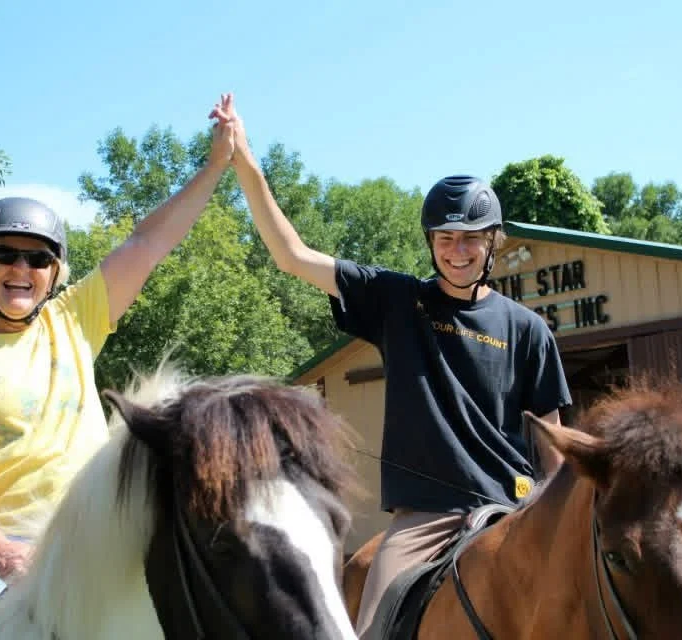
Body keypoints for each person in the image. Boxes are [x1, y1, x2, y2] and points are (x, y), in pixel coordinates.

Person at [0, 97, 236, 640]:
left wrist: (214, 167)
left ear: (53, 274)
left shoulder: (75, 321)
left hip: (84, 539)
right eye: (5, 254)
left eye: (38, 258)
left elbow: (148, 242)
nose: (21, 268)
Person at [214, 94, 572, 636]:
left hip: (510, 510)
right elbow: (291, 255)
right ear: (430, 242)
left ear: (493, 243)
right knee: (374, 625)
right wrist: (244, 161)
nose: (458, 251)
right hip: (424, 520)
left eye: (471, 239)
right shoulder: (398, 302)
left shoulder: (528, 329)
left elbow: (555, 449)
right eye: (445, 239)